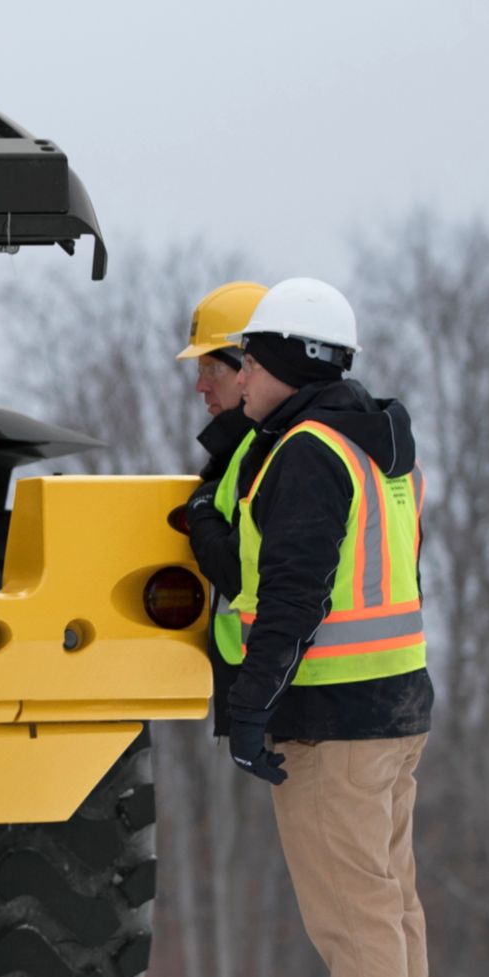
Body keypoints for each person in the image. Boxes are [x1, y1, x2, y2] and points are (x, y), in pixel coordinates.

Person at [188, 278, 435, 977]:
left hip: (333, 715)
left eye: (249, 361)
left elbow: (294, 595)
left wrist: (252, 707)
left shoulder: (305, 452)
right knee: (390, 906)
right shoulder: (377, 438)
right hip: (395, 700)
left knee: (354, 916)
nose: (238, 376)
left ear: (288, 361)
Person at [179, 280, 268, 740]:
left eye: (211, 367)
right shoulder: (240, 451)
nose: (200, 385)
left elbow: (242, 575)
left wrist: (201, 514)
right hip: (269, 685)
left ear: (247, 369)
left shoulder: (267, 452)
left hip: (282, 688)